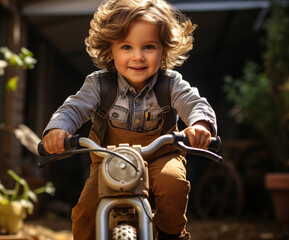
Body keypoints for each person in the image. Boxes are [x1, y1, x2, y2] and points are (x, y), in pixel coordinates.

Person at [42, 0, 217, 239]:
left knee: (172, 184)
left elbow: (194, 103)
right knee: (85, 212)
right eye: (126, 47)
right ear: (110, 49)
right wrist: (59, 130)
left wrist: (200, 125)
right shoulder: (98, 85)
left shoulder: (171, 83)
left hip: (161, 155)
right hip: (108, 161)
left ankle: (170, 234)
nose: (138, 57)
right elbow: (73, 108)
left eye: (149, 47)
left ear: (163, 50)